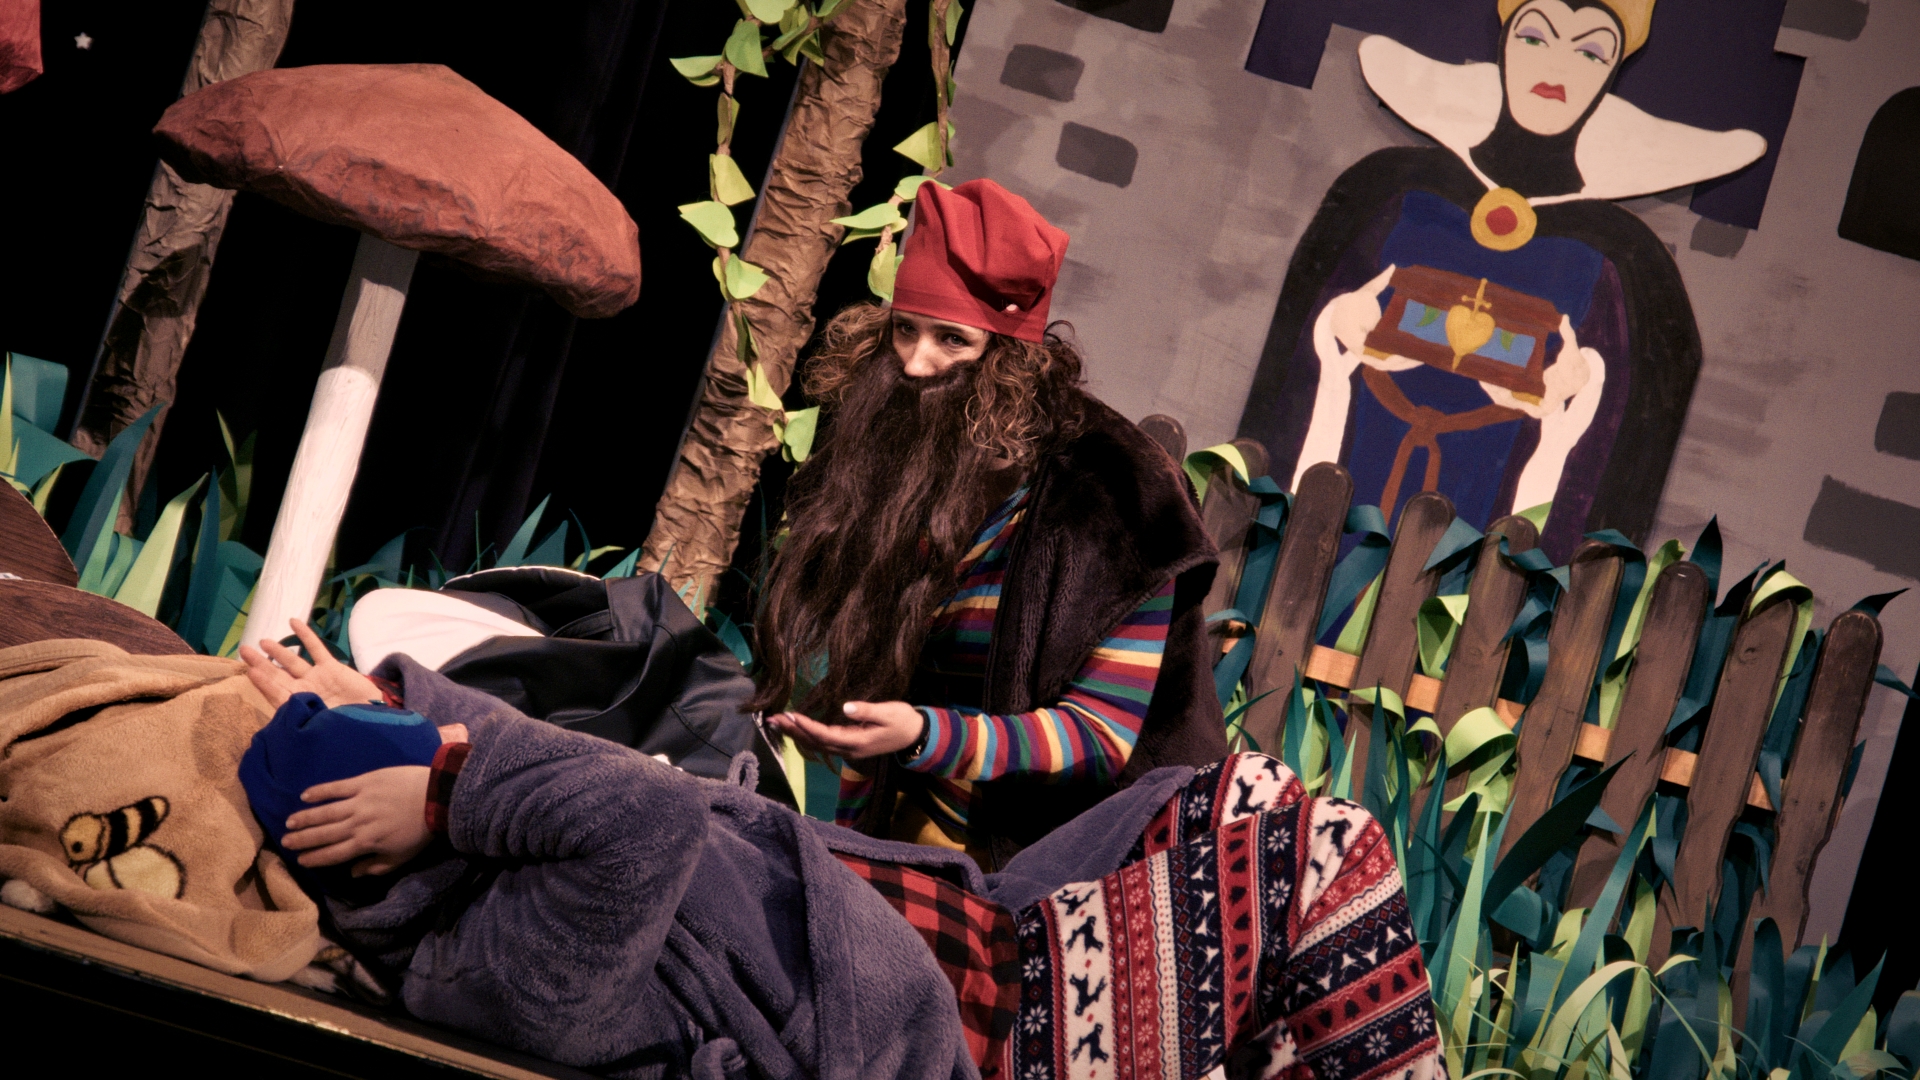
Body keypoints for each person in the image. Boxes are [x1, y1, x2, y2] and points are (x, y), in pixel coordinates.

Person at [239, 619, 1444, 1079]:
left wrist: (406, 704)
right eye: (399, 764)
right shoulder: (505, 960)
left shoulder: (489, 849)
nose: (437, 753)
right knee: (1325, 855)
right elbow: (642, 812)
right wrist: (446, 783)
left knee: (1245, 792)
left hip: (994, 923)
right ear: (380, 844)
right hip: (1005, 1035)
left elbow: (559, 780)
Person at [750, 178, 1227, 866]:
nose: (916, 364)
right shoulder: (911, 467)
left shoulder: (1117, 496)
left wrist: (924, 736)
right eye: (904, 330)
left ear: (1009, 359)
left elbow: (1100, 737)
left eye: (952, 339)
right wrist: (851, 855)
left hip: (1088, 859)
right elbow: (881, 694)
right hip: (935, 835)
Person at [1237, 0, 1765, 559]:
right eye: (1536, 37)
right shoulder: (1391, 188)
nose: (1557, 67)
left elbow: (1644, 405)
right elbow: (1302, 329)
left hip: (1491, 522)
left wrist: (1580, 392)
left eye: (1589, 51)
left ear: (1612, 71)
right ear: (1506, 41)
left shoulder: (1624, 255)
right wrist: (1335, 326)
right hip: (1351, 479)